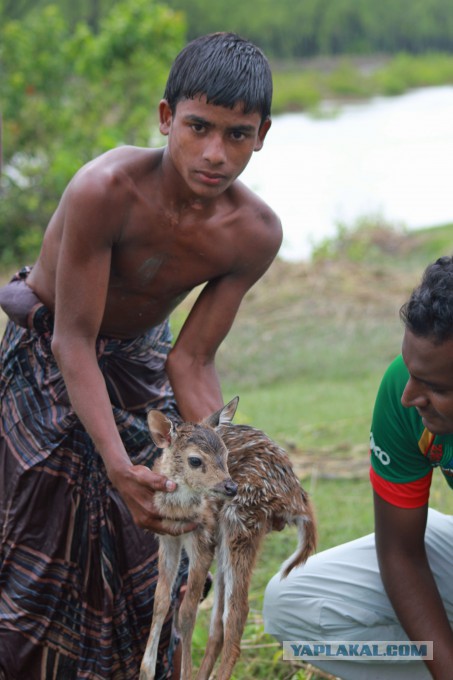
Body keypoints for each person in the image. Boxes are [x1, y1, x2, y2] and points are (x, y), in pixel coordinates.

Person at [0, 32, 282, 680]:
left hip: (140, 367)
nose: (214, 153)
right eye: (198, 127)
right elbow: (72, 338)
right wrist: (116, 462)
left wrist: (238, 465)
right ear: (165, 118)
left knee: (166, 543)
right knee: (34, 553)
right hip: (47, 361)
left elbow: (190, 362)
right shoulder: (105, 190)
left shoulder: (253, 234)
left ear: (261, 134)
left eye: (236, 135)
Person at [264, 255, 453, 680]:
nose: (409, 396)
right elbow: (401, 552)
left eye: (437, 387)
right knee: (292, 603)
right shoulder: (405, 395)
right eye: (411, 371)